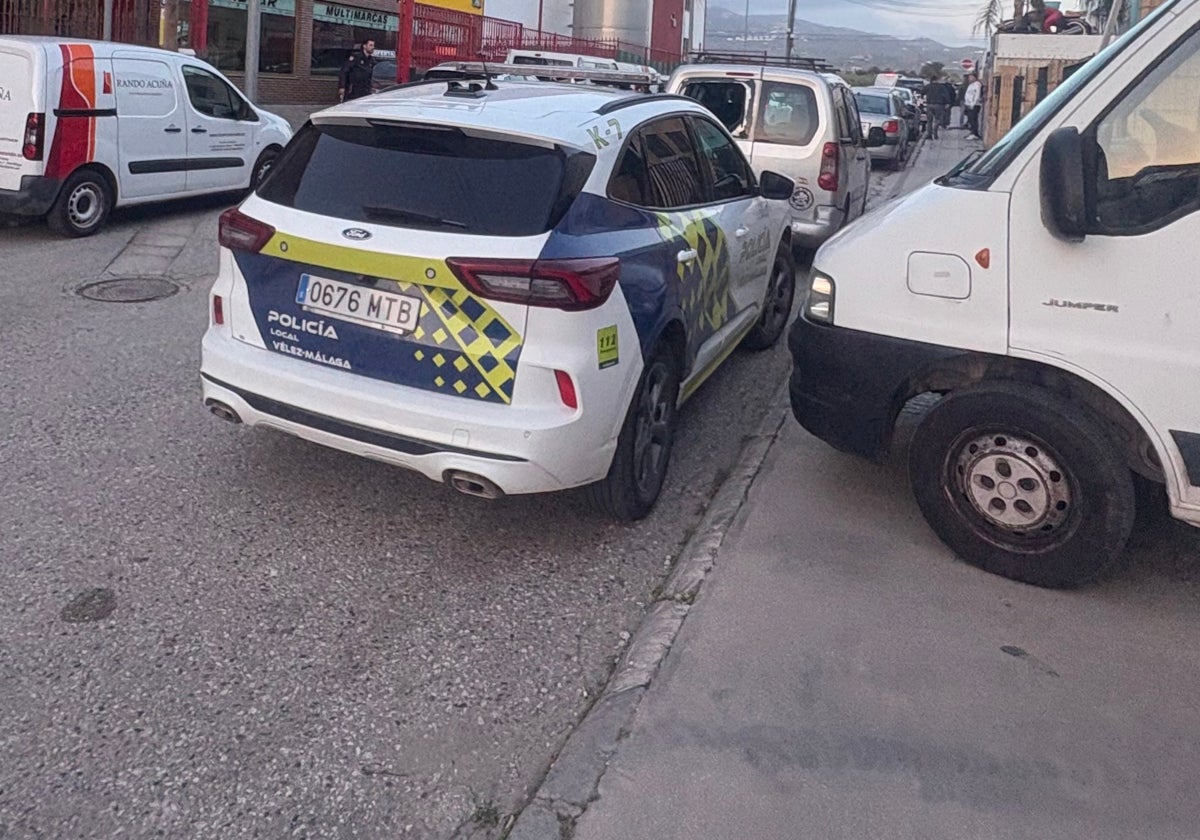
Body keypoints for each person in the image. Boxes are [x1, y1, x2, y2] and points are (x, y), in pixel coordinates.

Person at [964, 73, 983, 140]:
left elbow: (977, 95)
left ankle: (974, 134)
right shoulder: (970, 85)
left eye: (971, 77)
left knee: (973, 119)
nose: (969, 79)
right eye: (969, 77)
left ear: (975, 77)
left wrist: (972, 104)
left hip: (974, 105)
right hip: (969, 104)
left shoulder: (977, 84)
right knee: (970, 119)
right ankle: (972, 132)